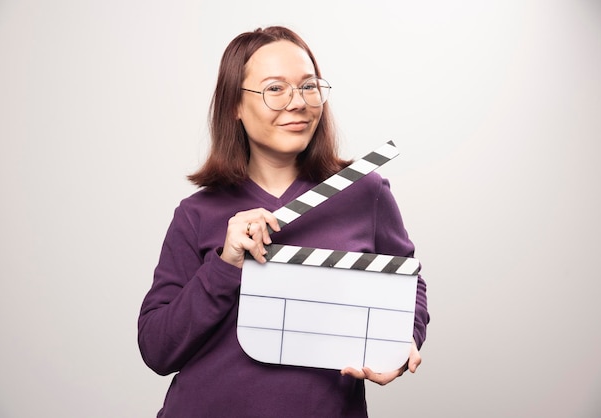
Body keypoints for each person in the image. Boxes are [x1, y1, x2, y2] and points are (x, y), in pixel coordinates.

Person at [138, 26, 429, 418]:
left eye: (309, 86)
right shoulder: (196, 214)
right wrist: (224, 266)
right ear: (234, 106)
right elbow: (157, 349)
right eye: (275, 88)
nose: (298, 103)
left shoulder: (365, 193)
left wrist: (400, 342)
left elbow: (408, 284)